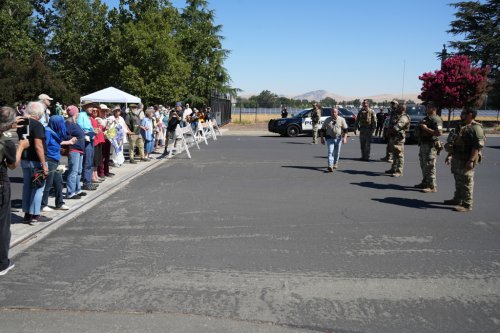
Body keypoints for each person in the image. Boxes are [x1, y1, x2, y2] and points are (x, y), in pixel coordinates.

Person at [0, 107, 30, 275]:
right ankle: (2, 263)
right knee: (3, 224)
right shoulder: (7, 142)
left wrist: (8, 125)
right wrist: (21, 147)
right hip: (1, 183)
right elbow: (13, 164)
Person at [16, 101, 52, 224]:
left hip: (25, 158)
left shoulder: (22, 123)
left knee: (27, 186)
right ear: (39, 113)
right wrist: (43, 164)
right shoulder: (37, 125)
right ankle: (35, 214)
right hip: (36, 160)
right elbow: (38, 146)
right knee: (38, 187)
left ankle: (27, 213)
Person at [444, 108, 485, 212]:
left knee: (467, 181)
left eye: (464, 113)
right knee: (458, 180)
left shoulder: (476, 128)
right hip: (457, 157)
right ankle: (458, 199)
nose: (462, 115)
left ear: (470, 114)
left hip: (467, 159)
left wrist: (471, 160)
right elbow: (454, 142)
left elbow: (477, 146)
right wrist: (449, 155)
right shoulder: (461, 126)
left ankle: (467, 204)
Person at [41, 115, 76, 212]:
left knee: (59, 182)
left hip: (56, 159)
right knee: (48, 183)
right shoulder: (47, 132)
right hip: (50, 159)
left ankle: (59, 203)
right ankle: (43, 204)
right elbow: (44, 146)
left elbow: (58, 142)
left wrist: (68, 142)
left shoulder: (53, 131)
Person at [415, 102, 443, 193]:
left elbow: (439, 133)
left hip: (430, 145)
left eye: (428, 107)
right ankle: (425, 182)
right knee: (423, 165)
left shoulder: (437, 119)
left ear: (434, 108)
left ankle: (432, 186)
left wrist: (425, 128)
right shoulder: (427, 118)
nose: (426, 109)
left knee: (430, 166)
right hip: (423, 144)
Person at [65, 105, 86, 199]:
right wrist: (71, 138)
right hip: (74, 149)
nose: (78, 115)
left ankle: (77, 189)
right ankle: (70, 192)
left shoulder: (75, 123)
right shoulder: (68, 124)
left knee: (78, 171)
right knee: (73, 171)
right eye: (77, 113)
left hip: (79, 149)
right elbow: (65, 135)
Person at [77, 101, 97, 191]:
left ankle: (88, 181)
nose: (91, 108)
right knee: (88, 161)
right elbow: (80, 128)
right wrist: (91, 132)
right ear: (85, 107)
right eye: (89, 106)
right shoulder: (81, 115)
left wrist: (93, 131)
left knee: (90, 161)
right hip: (87, 140)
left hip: (90, 138)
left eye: (92, 107)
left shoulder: (87, 116)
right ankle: (86, 182)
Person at [385, 104, 410, 177]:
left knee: (399, 155)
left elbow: (397, 127)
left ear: (402, 109)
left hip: (399, 138)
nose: (396, 109)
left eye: (398, 108)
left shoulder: (404, 117)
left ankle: (399, 171)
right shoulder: (397, 116)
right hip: (394, 137)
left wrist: (389, 131)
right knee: (394, 154)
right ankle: (393, 168)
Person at [320, 106, 348, 172]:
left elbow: (346, 130)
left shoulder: (341, 119)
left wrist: (345, 138)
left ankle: (335, 163)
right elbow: (322, 130)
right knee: (330, 152)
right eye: (332, 112)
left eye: (335, 112)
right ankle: (330, 165)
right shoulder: (327, 120)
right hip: (329, 138)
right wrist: (321, 138)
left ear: (337, 112)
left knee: (337, 153)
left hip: (338, 139)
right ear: (331, 112)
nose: (334, 113)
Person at [90, 107, 106, 183]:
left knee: (98, 159)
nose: (95, 112)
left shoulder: (99, 119)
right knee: (94, 160)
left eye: (96, 111)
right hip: (95, 141)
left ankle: (96, 175)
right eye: (94, 110)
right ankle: (93, 176)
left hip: (100, 141)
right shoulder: (90, 119)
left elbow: (103, 128)